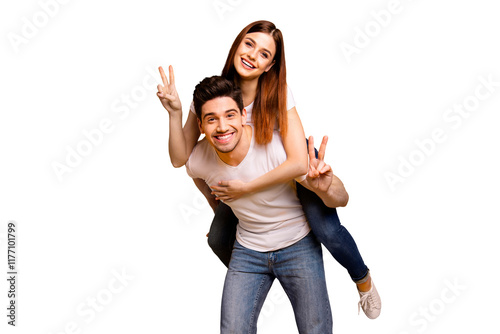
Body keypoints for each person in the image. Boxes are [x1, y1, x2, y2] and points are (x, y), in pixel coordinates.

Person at [157, 20, 381, 319]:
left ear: (270, 65)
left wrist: (247, 189)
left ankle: (362, 278)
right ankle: (259, 276)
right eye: (249, 44)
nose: (252, 55)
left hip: (291, 161)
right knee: (218, 238)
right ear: (237, 44)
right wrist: (174, 112)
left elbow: (298, 162)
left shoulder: (276, 92)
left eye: (264, 54)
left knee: (326, 228)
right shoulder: (216, 94)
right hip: (241, 171)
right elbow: (181, 157)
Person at [187, 75, 341, 333]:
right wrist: (219, 214)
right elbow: (197, 175)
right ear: (201, 125)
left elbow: (343, 198)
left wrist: (325, 188)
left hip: (298, 245)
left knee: (315, 329)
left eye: (230, 115)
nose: (222, 127)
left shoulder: (278, 146)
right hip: (248, 252)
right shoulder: (198, 159)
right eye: (212, 119)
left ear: (243, 114)